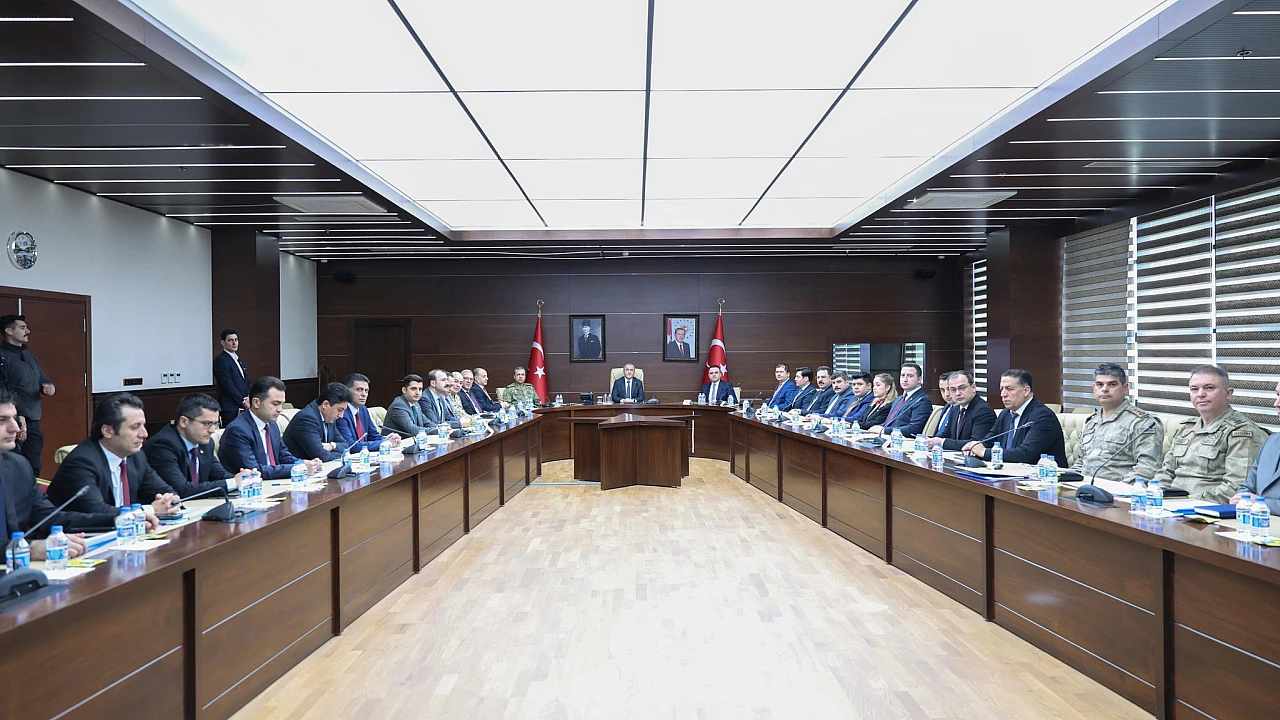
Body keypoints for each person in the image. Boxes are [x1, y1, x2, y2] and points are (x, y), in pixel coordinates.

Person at [1, 390, 124, 559]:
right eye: (2, 420)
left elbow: (49, 518)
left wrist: (117, 519)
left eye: (14, 418)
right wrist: (29, 548)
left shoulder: (18, 466)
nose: (15, 428)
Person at [47, 392, 180, 516]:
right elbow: (97, 513)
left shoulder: (136, 456)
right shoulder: (82, 463)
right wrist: (151, 510)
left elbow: (164, 490)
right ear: (108, 431)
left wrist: (170, 500)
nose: (144, 434)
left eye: (143, 426)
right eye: (135, 427)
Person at [1153, 365, 1267, 503]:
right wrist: (1154, 493)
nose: (1200, 394)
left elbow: (1236, 488)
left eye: (1209, 388)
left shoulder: (1241, 433)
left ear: (1228, 393)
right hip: (1170, 505)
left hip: (1206, 508)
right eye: (1194, 389)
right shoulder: (1186, 428)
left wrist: (1183, 501)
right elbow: (1166, 472)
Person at [1069, 363, 1165, 483]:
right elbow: (1081, 462)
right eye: (1100, 384)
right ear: (1094, 388)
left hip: (1118, 490)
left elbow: (1148, 468)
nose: (1104, 389)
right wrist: (1066, 480)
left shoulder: (1142, 422)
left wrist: (1119, 488)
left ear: (1125, 388)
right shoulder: (1091, 422)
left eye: (1112, 384)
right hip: (1084, 488)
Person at [218, 376, 321, 480]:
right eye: (275, 404)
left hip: (275, 483)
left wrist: (304, 463)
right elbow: (255, 471)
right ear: (256, 402)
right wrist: (297, 468)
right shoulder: (238, 430)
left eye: (282, 404)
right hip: (251, 486)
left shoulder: (271, 424)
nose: (280, 409)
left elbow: (283, 456)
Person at [143, 393, 244, 498]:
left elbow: (220, 475)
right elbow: (182, 490)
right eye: (206, 424)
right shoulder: (162, 445)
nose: (212, 430)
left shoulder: (205, 443)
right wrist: (233, 482)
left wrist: (244, 478)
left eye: (215, 424)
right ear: (184, 421)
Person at [963, 369, 1067, 466]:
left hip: (1046, 475)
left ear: (1026, 391)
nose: (1003, 394)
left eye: (1009, 389)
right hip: (1011, 472)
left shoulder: (1043, 416)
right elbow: (989, 440)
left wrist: (983, 452)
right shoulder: (1006, 413)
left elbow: (1026, 454)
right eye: (1001, 389)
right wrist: (974, 447)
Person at [0, 314, 55, 476]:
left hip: (34, 420)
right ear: (9, 331)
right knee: (11, 466)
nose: (28, 331)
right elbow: (3, 391)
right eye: (22, 328)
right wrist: (18, 416)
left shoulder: (31, 357)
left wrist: (50, 387)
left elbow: (44, 380)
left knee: (33, 466)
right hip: (12, 421)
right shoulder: (2, 357)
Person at [1231, 379, 1280, 512]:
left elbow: (1255, 499)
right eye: (1277, 395)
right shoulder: (1272, 442)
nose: (1277, 404)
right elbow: (1247, 487)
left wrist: (1261, 503)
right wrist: (1242, 498)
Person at [283, 382, 354, 462]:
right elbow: (321, 456)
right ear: (325, 404)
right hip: (299, 467)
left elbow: (346, 445)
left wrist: (332, 445)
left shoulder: (329, 417)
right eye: (340, 410)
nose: (341, 415)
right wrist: (344, 455)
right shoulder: (307, 419)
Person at [927, 371, 997, 451]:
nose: (957, 393)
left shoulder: (983, 410)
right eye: (953, 390)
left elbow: (976, 443)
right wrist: (930, 441)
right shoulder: (955, 409)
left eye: (962, 388)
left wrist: (942, 442)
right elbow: (946, 434)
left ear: (973, 387)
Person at [337, 373, 400, 452]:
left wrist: (387, 439)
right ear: (347, 391)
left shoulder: (363, 409)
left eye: (366, 391)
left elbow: (373, 435)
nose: (364, 394)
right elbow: (351, 446)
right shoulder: (341, 413)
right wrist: (385, 443)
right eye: (359, 390)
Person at [870, 363, 932, 437]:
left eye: (910, 376)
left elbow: (914, 429)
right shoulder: (899, 399)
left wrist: (884, 430)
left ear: (919, 379)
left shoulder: (922, 400)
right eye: (902, 375)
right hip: (886, 437)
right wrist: (877, 428)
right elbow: (889, 423)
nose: (905, 379)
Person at [213, 329, 250, 427]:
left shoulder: (238, 360)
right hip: (230, 408)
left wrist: (248, 397)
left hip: (243, 405)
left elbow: (247, 382)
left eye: (236, 340)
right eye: (230, 340)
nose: (234, 343)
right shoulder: (221, 360)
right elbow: (227, 385)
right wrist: (242, 401)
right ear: (223, 343)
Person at [925, 372, 954, 437]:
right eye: (942, 390)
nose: (946, 394)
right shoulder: (947, 406)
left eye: (949, 389)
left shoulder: (962, 410)